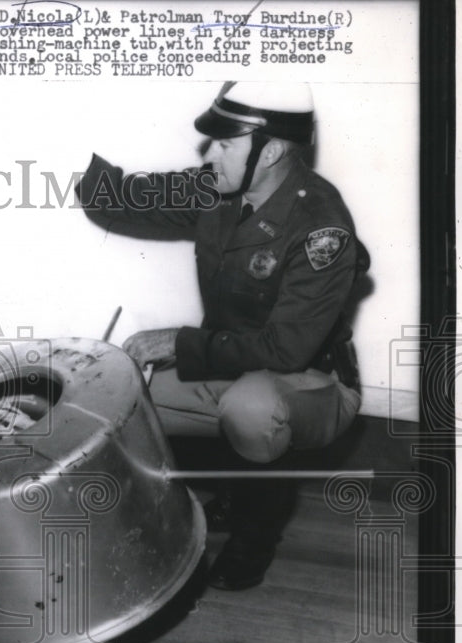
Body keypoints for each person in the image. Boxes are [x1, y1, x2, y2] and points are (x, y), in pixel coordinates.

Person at [76, 82, 369, 590]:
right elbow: (123, 200)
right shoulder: (219, 188)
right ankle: (225, 498)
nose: (208, 154)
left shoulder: (323, 226)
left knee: (251, 410)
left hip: (311, 379)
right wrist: (72, 141)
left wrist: (176, 342)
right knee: (124, 397)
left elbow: (286, 349)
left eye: (223, 144)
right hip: (232, 362)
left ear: (271, 150)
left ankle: (256, 539)